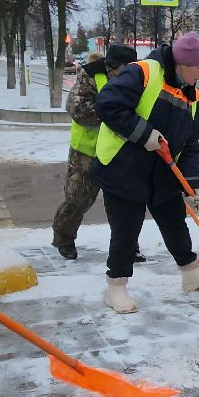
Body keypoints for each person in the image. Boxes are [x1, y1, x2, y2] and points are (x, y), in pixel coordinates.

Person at [91, 31, 199, 313]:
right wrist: (143, 133)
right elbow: (108, 105)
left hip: (162, 170)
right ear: (183, 63)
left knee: (174, 221)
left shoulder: (192, 94)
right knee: (127, 229)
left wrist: (193, 184)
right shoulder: (144, 72)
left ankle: (190, 272)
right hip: (124, 167)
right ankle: (116, 286)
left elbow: (191, 142)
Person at [51, 48, 122, 259]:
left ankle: (127, 245)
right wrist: (113, 116)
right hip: (86, 152)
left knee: (122, 204)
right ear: (112, 66)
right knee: (77, 200)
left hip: (116, 152)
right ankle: (64, 238)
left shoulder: (131, 79)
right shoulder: (90, 75)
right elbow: (77, 108)